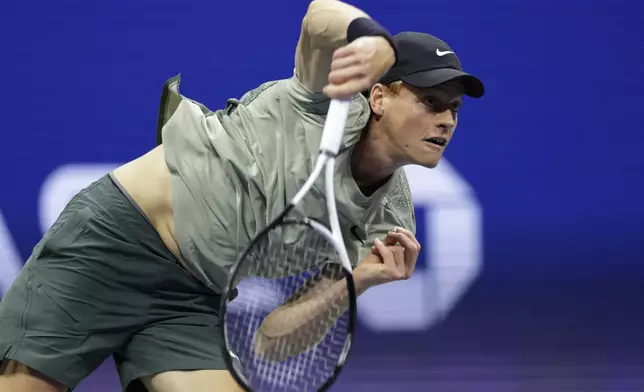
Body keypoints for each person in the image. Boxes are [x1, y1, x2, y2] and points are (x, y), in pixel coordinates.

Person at [0, 0, 484, 391]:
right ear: (379, 97)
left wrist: (357, 281)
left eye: (454, 110)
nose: (446, 120)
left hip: (193, 297)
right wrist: (368, 36)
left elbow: (272, 340)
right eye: (429, 102)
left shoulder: (388, 223)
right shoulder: (320, 103)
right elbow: (317, 18)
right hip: (114, 242)